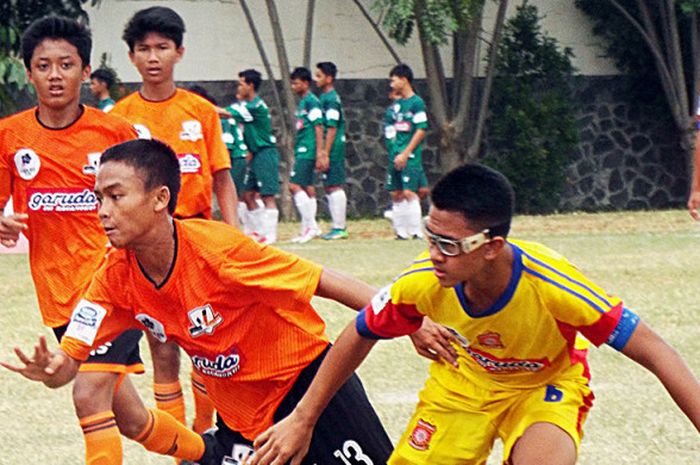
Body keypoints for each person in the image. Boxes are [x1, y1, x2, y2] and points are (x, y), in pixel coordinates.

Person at [1, 138, 441, 465]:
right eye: (98, 197)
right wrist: (53, 369)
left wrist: (410, 322)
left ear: (160, 199)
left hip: (309, 389)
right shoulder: (113, 277)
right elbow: (70, 358)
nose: (101, 209)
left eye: (116, 196)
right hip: (244, 421)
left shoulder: (219, 252)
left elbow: (328, 281)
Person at [250, 163, 700, 465]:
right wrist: (304, 418)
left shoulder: (554, 287)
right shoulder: (422, 282)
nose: (435, 254)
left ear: (492, 247)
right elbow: (360, 331)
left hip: (543, 386)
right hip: (460, 387)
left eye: (450, 245)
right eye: (431, 237)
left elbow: (658, 352)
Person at [0, 15, 206, 465]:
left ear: (86, 71)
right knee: (131, 420)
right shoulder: (10, 137)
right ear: (28, 71)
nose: (55, 75)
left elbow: (155, 206)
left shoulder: (116, 134)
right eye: (43, 65)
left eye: (66, 64)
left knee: (88, 395)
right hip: (58, 296)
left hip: (114, 287)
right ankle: (206, 456)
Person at [110, 5, 238, 444]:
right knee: (163, 353)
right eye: (143, 49)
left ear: (178, 52)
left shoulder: (201, 112)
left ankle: (210, 438)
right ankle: (186, 449)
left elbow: (222, 177)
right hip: (148, 252)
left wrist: (234, 234)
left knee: (210, 347)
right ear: (131, 57)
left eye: (162, 47)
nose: (153, 57)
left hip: (199, 244)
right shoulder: (120, 117)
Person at [226, 69, 281, 244]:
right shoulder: (245, 105)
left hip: (265, 152)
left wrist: (201, 107)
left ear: (250, 85)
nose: (239, 87)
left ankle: (270, 235)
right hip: (254, 154)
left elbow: (225, 113)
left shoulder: (255, 106)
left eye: (241, 84)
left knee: (267, 196)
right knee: (247, 194)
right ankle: (256, 231)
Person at [385, 64, 428, 240]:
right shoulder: (395, 107)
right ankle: (401, 232)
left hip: (409, 156)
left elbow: (421, 129)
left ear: (404, 80)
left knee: (410, 191)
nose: (391, 84)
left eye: (393, 80)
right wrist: (395, 151)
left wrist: (406, 152)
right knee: (396, 192)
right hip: (395, 155)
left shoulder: (417, 103)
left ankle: (417, 231)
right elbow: (390, 130)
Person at [289, 66, 324, 243]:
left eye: (296, 83)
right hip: (303, 147)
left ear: (305, 83)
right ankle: (309, 227)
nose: (293, 87)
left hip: (308, 149)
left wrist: (320, 151)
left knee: (294, 186)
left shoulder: (312, 101)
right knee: (308, 187)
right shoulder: (303, 102)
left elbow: (318, 126)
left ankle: (310, 226)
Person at [315, 62, 349, 240]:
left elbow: (332, 127)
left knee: (334, 184)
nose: (316, 79)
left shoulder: (331, 99)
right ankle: (336, 225)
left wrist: (325, 152)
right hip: (329, 148)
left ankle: (340, 227)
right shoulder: (324, 98)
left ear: (329, 78)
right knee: (329, 185)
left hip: (333, 148)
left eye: (319, 76)